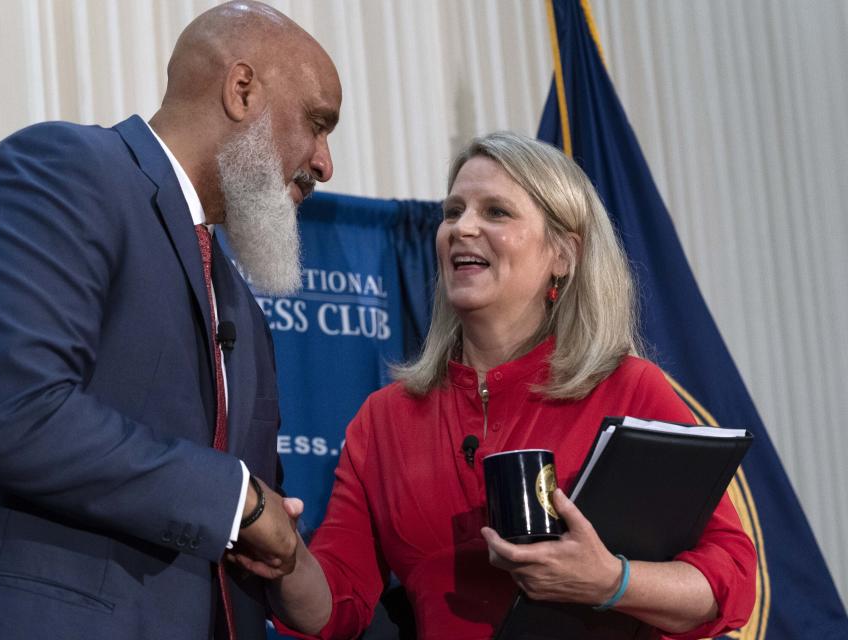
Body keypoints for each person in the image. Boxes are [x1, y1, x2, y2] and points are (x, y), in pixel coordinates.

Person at [0, 2, 341, 639]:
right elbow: (17, 413)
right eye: (318, 124)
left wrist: (283, 548)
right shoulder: (62, 169)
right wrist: (236, 500)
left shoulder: (236, 304)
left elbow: (261, 530)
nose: (324, 162)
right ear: (242, 91)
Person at [261, 132, 756, 639]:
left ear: (563, 254)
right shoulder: (384, 420)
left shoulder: (629, 389)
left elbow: (732, 578)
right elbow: (334, 607)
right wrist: (283, 552)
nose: (462, 227)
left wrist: (612, 581)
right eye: (453, 212)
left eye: (496, 212)